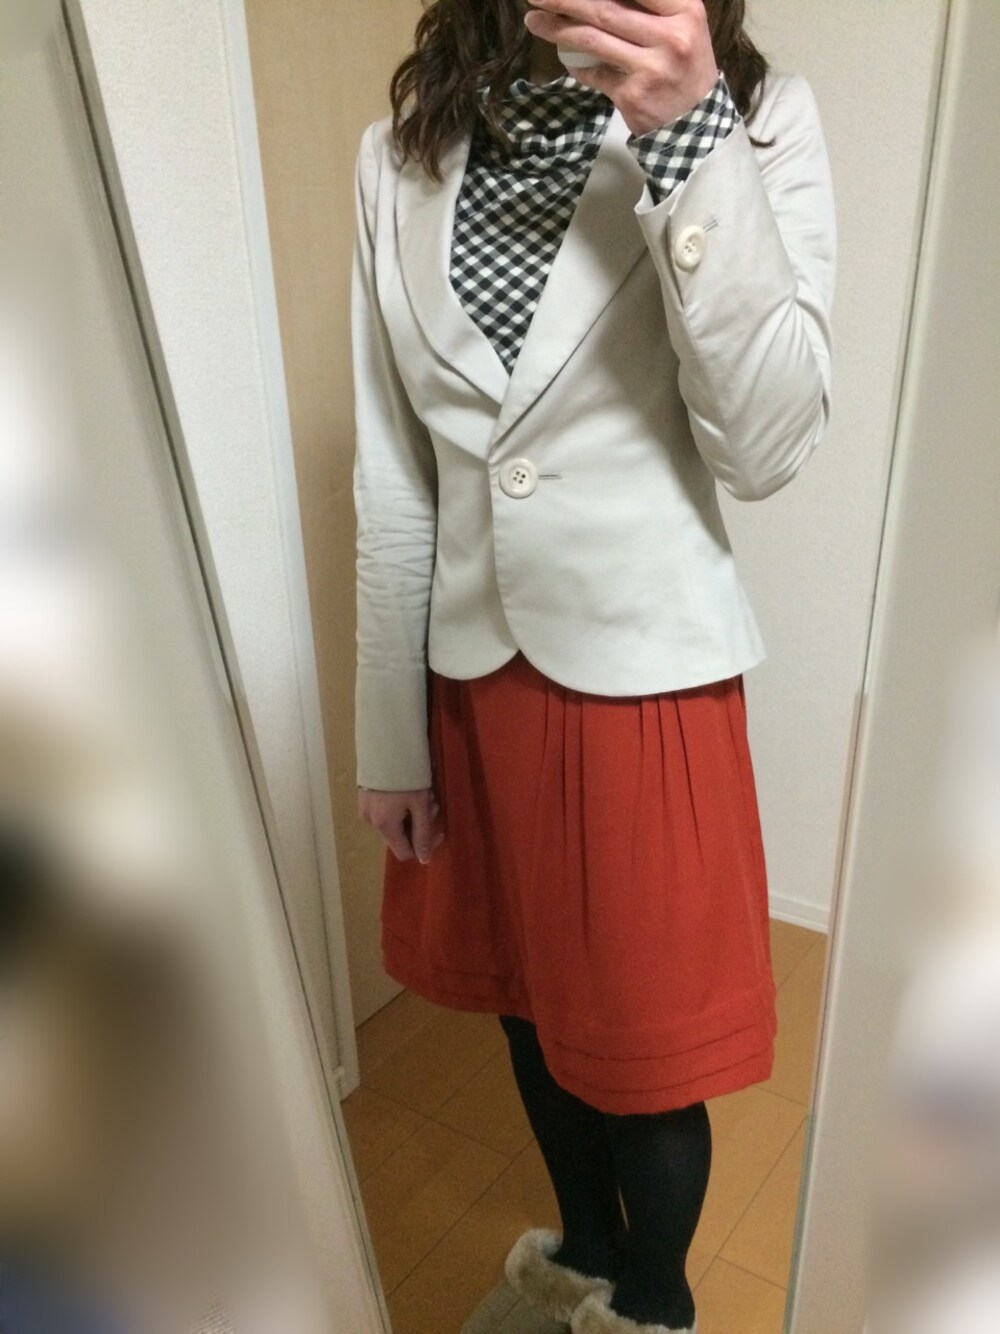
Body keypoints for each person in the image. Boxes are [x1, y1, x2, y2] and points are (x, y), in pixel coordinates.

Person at [351, 1, 835, 1329]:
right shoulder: (401, 150)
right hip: (473, 674)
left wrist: (687, 138)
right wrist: (391, 733)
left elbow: (769, 443)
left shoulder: (757, 121)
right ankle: (579, 1252)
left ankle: (655, 1304)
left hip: (644, 678)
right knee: (528, 1004)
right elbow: (396, 470)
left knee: (644, 1042)